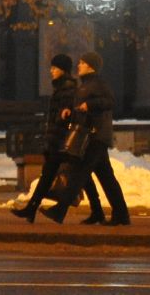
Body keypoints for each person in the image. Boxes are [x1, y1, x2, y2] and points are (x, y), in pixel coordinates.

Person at [11, 53, 100, 224]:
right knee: (71, 176)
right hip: (58, 140)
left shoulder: (67, 90)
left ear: (63, 70)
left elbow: (68, 115)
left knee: (77, 176)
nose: (51, 71)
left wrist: (63, 118)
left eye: (54, 68)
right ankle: (31, 209)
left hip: (62, 141)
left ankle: (35, 209)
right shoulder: (62, 88)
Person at [45, 51, 130, 226]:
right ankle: (118, 214)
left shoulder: (98, 84)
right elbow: (81, 106)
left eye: (82, 63)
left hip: (95, 136)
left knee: (79, 174)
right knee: (107, 178)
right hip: (91, 135)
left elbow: (110, 102)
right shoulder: (85, 85)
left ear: (91, 66)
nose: (79, 66)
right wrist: (70, 110)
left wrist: (89, 105)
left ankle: (60, 210)